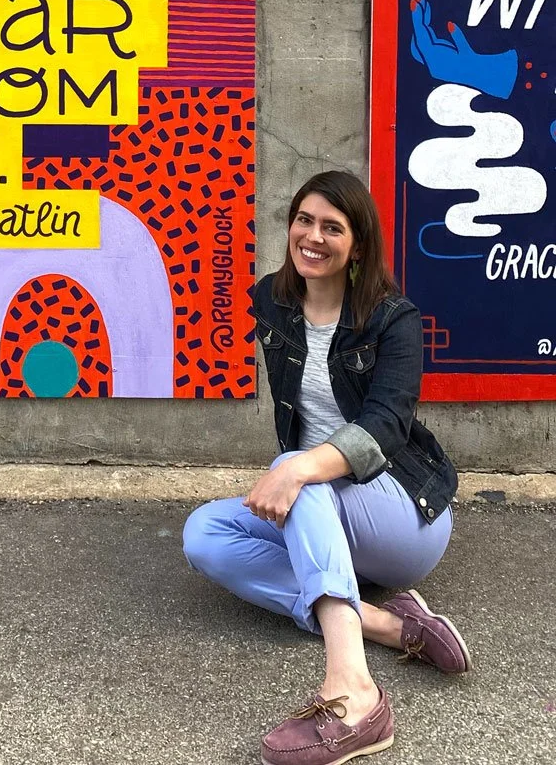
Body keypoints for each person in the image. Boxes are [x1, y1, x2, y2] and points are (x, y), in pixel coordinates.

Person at [182, 170, 469, 765]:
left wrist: (300, 468)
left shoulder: (395, 320)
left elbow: (386, 426)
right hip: (324, 501)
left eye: (332, 228)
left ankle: (354, 696)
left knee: (299, 472)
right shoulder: (274, 301)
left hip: (401, 513)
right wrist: (301, 471)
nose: (313, 237)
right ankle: (392, 626)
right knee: (205, 534)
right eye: (304, 221)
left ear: (357, 244)